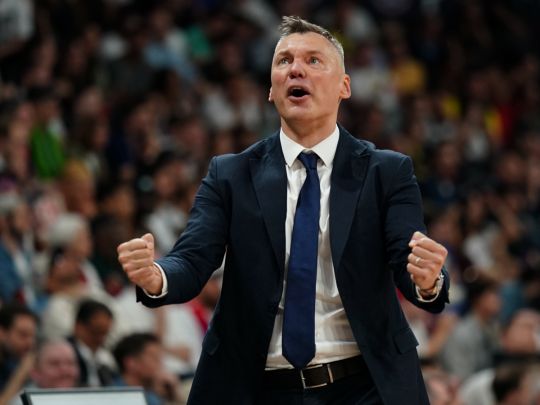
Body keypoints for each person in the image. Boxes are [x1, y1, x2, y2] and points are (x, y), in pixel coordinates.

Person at [117, 16, 450, 404]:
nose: (296, 69)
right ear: (271, 90)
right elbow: (192, 260)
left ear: (344, 87)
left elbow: (409, 261)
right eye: (284, 61)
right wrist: (156, 275)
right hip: (257, 387)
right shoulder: (230, 174)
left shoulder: (387, 172)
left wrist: (428, 281)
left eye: (313, 60)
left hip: (365, 387)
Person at [112, 333, 183, 405]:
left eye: (160, 358)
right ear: (131, 363)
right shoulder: (112, 395)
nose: (161, 364)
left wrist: (173, 394)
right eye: (154, 357)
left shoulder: (151, 395)